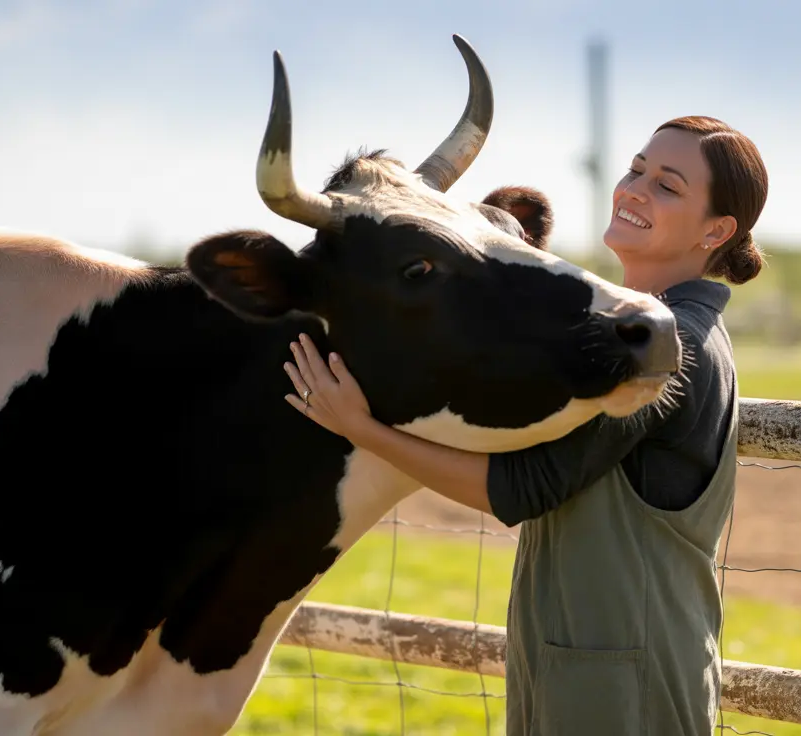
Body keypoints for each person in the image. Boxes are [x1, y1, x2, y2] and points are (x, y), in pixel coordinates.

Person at [283, 115, 768, 735]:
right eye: (637, 169)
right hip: (585, 659)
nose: (634, 190)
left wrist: (361, 427)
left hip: (626, 676)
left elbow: (526, 486)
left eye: (668, 185)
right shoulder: (637, 330)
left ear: (717, 230)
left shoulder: (666, 346)